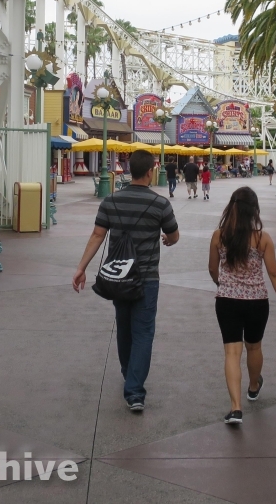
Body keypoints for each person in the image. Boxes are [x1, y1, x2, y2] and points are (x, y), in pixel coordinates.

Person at [73, 150, 180, 412]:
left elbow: (97, 235)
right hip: (146, 279)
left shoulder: (110, 201)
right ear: (150, 171)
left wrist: (81, 267)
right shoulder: (160, 204)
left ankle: (128, 373)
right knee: (143, 333)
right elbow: (173, 235)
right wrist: (166, 239)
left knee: (124, 327)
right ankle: (134, 392)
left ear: (129, 170)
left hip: (118, 277)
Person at [209, 188, 276, 425]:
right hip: (257, 302)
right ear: (254, 209)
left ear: (231, 206)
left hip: (227, 301)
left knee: (232, 353)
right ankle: (254, 386)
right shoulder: (262, 238)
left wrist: (223, 284)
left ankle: (236, 409)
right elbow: (274, 273)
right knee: (254, 347)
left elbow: (213, 268)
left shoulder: (219, 236)